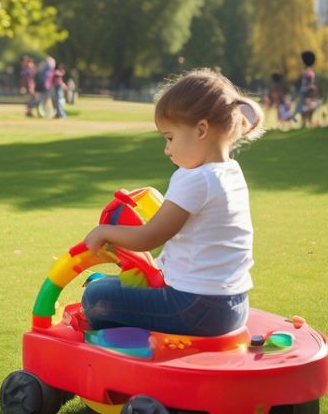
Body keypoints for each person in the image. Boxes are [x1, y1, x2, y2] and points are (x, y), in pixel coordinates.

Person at [81, 69, 264, 336]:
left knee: (96, 298)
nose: (167, 149)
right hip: (233, 306)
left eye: (170, 138)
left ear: (201, 129)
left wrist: (104, 232)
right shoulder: (231, 172)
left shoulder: (194, 178)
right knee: (117, 288)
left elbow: (150, 236)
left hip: (196, 307)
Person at [295, 51, 320, 127]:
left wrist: (309, 89)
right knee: (305, 108)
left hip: (306, 91)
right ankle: (305, 123)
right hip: (306, 91)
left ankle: (306, 123)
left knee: (306, 107)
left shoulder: (308, 71)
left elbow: (309, 81)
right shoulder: (309, 70)